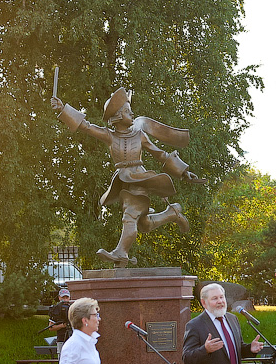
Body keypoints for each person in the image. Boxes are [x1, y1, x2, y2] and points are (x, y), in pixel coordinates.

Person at [51, 88, 203, 266]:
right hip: (124, 181)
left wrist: (183, 171)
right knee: (144, 224)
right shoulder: (109, 135)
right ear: (117, 116)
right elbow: (86, 126)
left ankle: (121, 252)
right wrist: (63, 109)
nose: (131, 113)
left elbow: (160, 154)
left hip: (140, 178)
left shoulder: (139, 135)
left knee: (129, 216)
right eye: (127, 110)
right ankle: (173, 213)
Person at [48, 288, 73, 358]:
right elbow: (51, 327)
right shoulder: (56, 310)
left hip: (72, 340)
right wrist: (63, 326)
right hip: (61, 340)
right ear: (59, 297)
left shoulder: (72, 308)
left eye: (67, 297)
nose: (65, 299)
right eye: (63, 297)